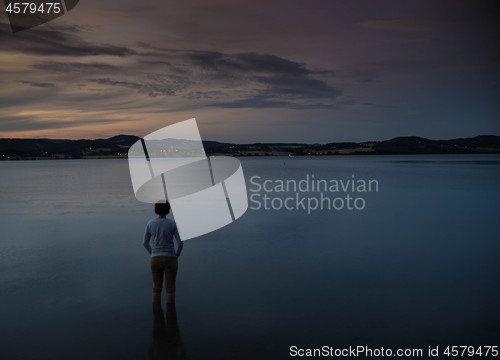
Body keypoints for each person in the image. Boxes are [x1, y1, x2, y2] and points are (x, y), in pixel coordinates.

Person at [144, 200, 183, 304]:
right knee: (170, 288)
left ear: (155, 209)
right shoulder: (172, 223)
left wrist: (152, 253)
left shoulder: (150, 223)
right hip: (170, 258)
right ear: (168, 210)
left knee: (156, 287)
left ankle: (156, 313)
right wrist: (176, 256)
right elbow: (180, 244)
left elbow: (145, 243)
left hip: (155, 259)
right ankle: (171, 313)